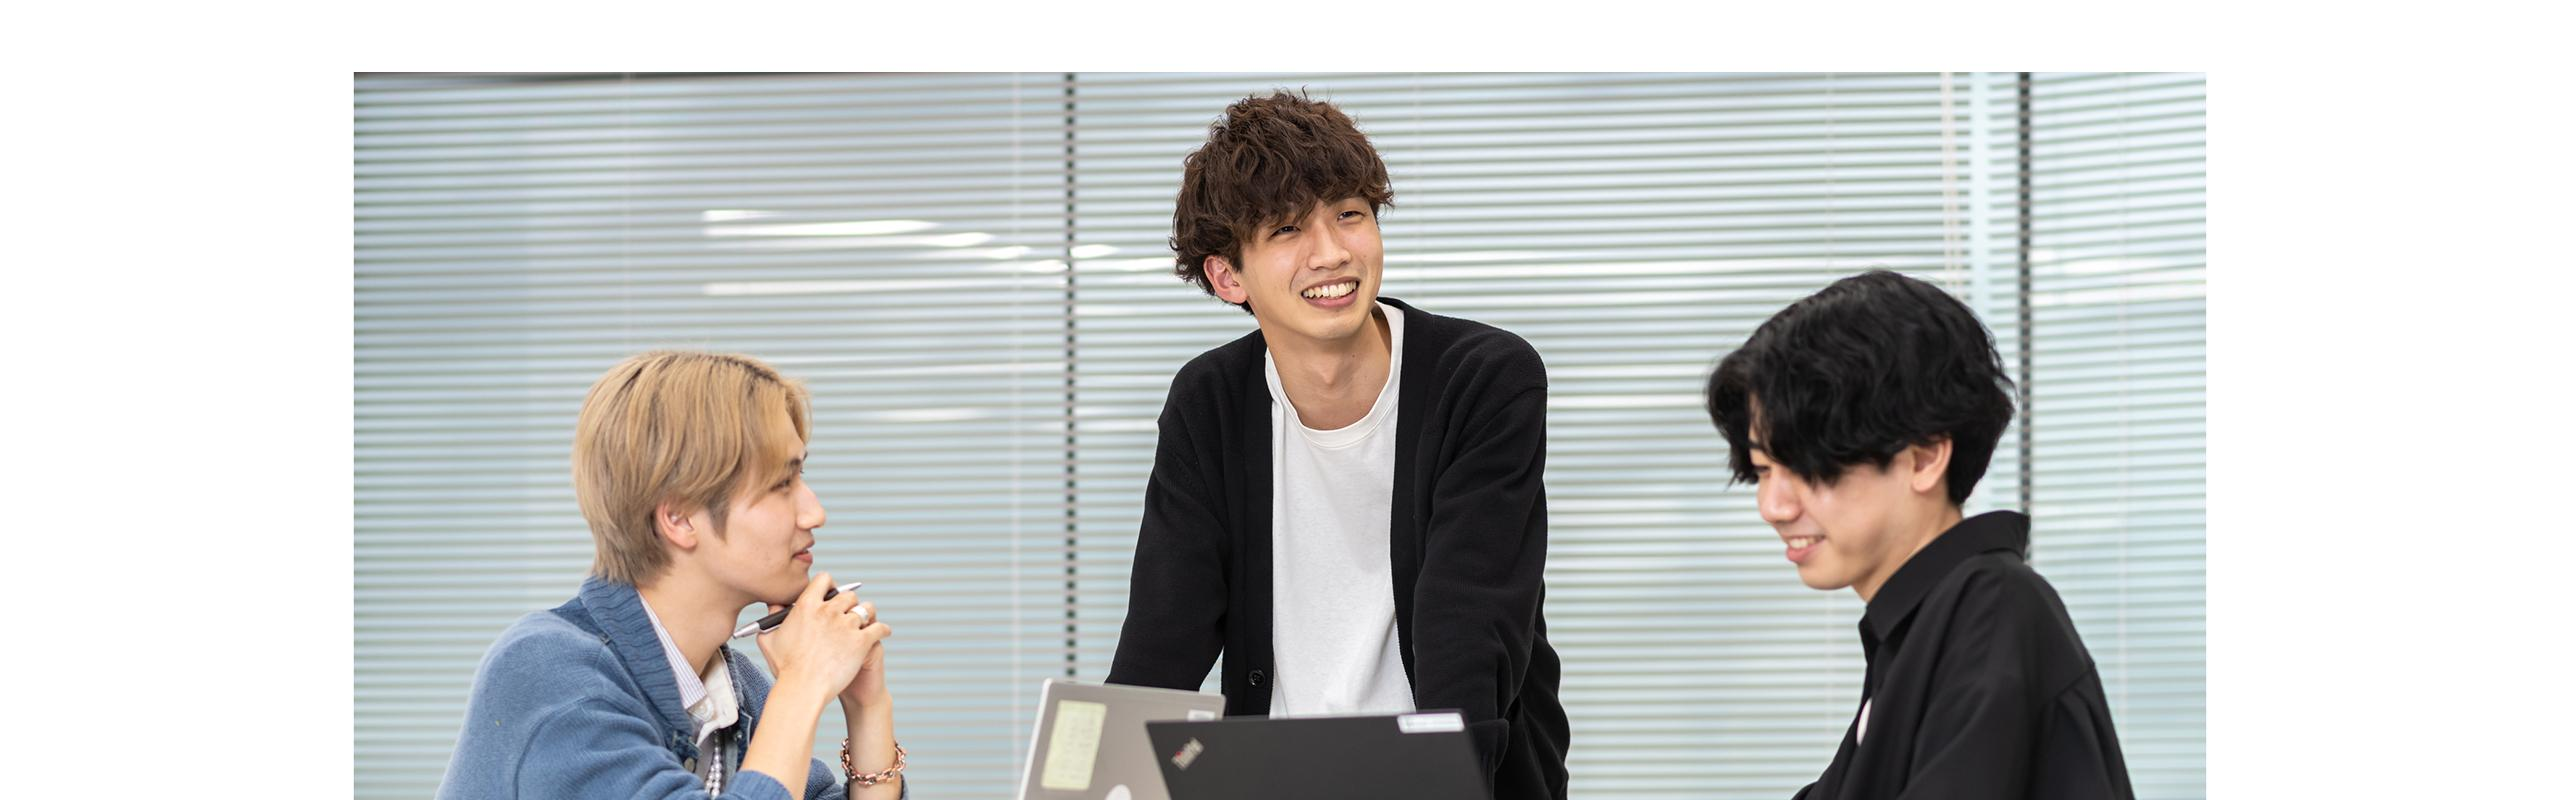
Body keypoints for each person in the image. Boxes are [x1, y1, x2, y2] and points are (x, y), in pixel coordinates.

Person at [1104, 90, 1570, 800]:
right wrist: (1102, 782)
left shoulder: (1482, 378)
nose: (1332, 253)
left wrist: (1451, 780)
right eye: (1287, 228)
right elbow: (1163, 635)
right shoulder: (1210, 402)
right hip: (1274, 778)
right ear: (1228, 276)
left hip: (1448, 778)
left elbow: (1470, 624)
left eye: (1350, 214)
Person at [1704, 270, 2135, 799]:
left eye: (1808, 467)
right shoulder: (1917, 633)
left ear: (1926, 457)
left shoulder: (1988, 609)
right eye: (1764, 470)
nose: (1773, 507)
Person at [438, 351, 909, 800]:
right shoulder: (551, 674)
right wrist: (804, 681)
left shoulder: (734, 690)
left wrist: (867, 708)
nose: (815, 512)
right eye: (782, 484)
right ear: (680, 518)